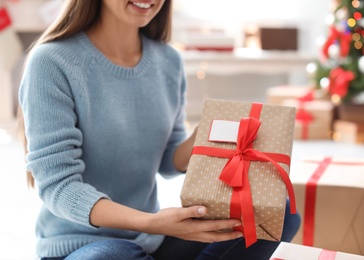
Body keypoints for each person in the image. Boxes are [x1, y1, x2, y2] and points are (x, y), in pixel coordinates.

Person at [18, 0, 301, 259]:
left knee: (278, 213)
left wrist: (208, 135)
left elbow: (168, 160)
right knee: (115, 255)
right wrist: (152, 222)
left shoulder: (168, 61)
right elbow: (59, 187)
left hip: (150, 240)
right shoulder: (52, 62)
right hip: (83, 246)